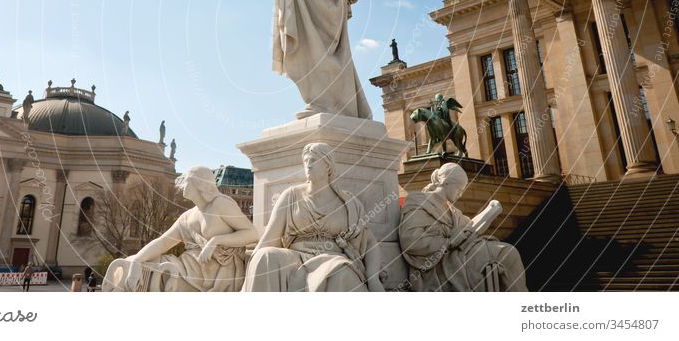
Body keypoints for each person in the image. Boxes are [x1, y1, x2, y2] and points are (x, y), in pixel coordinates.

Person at [242, 142, 384, 292]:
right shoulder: (291, 196)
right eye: (306, 161)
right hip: (295, 256)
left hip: (331, 257)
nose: (308, 166)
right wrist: (252, 264)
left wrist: (373, 279)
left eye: (314, 161)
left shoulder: (349, 203)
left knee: (341, 273)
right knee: (266, 256)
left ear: (328, 165)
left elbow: (369, 243)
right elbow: (269, 239)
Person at [103, 166, 258, 292]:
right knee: (132, 264)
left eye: (187, 180)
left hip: (217, 272)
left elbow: (252, 234)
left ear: (200, 184)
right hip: (188, 266)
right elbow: (163, 242)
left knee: (154, 275)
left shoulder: (220, 204)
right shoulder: (187, 217)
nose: (183, 184)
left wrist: (216, 241)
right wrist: (137, 259)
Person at [398, 163, 527, 291]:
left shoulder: (451, 210)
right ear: (446, 182)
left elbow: (470, 226)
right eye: (459, 189)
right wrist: (449, 242)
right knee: (507, 254)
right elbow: (411, 242)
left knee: (507, 252)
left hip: (461, 253)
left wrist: (489, 211)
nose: (460, 194)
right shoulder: (419, 202)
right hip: (441, 263)